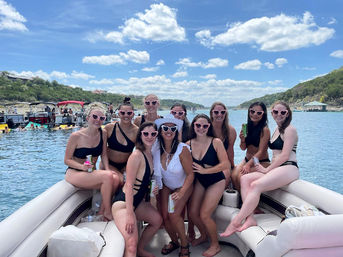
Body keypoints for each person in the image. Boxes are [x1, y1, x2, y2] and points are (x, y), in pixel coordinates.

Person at [220, 101, 299, 237]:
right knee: (244, 179)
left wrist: (266, 170)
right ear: (272, 112)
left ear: (288, 113)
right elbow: (244, 148)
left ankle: (236, 222)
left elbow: (285, 155)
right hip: (275, 168)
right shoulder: (277, 129)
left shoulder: (289, 129)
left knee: (256, 185)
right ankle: (250, 218)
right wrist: (242, 140)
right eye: (276, 112)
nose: (279, 115)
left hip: (288, 167)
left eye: (283, 112)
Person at [112, 122, 162, 257]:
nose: (150, 136)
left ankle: (141, 249)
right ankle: (135, 250)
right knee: (131, 244)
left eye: (153, 134)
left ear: (157, 135)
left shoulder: (151, 155)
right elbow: (128, 185)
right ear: (140, 135)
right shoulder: (136, 155)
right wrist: (129, 214)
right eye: (146, 133)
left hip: (138, 203)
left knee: (157, 221)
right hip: (123, 204)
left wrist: (153, 189)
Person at [64, 103, 119, 221]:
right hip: (74, 172)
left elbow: (104, 154)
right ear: (88, 117)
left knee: (115, 178)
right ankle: (108, 212)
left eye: (101, 118)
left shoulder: (102, 133)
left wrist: (108, 169)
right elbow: (67, 160)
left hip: (89, 172)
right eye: (95, 117)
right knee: (109, 176)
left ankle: (101, 211)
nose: (98, 120)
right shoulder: (76, 136)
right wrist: (81, 167)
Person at [186, 114, 229, 257]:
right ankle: (203, 235)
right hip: (200, 181)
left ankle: (215, 245)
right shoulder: (188, 144)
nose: (201, 128)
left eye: (205, 126)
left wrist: (205, 170)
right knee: (192, 213)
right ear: (194, 126)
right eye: (198, 125)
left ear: (209, 126)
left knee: (204, 215)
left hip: (216, 180)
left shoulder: (216, 142)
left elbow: (225, 164)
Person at [153, 114, 194, 256]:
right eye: (165, 128)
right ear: (160, 130)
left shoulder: (182, 149)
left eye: (173, 128)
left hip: (183, 186)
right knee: (164, 216)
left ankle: (184, 244)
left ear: (177, 131)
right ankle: (174, 241)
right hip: (166, 186)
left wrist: (182, 192)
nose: (169, 131)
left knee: (174, 214)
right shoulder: (156, 149)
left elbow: (190, 174)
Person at [231, 102, 270, 191]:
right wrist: (242, 140)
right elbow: (243, 148)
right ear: (249, 112)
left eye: (259, 113)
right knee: (233, 175)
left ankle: (247, 201)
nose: (255, 114)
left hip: (260, 161)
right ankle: (241, 200)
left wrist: (248, 165)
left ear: (263, 114)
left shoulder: (265, 130)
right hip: (247, 159)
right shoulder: (246, 127)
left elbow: (261, 151)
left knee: (241, 176)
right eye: (252, 111)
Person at [102, 97, 138, 187]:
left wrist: (128, 168)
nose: (126, 115)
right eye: (122, 113)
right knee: (119, 180)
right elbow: (102, 152)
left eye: (129, 113)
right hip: (109, 164)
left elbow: (139, 153)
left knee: (130, 182)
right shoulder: (109, 128)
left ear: (133, 114)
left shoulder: (137, 131)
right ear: (118, 113)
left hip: (126, 165)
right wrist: (106, 169)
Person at [210, 102, 236, 185]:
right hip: (208, 161)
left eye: (222, 112)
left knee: (224, 178)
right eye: (216, 112)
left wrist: (232, 166)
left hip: (223, 162)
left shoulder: (230, 131)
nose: (219, 114)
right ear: (211, 113)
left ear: (226, 113)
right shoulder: (206, 128)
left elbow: (230, 151)